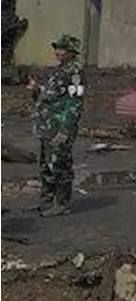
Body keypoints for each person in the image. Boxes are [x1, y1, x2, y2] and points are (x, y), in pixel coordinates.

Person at [28, 35, 85, 217]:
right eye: (57, 48)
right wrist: (37, 89)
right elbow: (51, 95)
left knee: (59, 165)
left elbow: (75, 102)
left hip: (60, 127)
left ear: (71, 52)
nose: (58, 52)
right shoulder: (58, 71)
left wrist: (65, 129)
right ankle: (46, 203)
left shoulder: (75, 72)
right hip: (47, 126)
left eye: (62, 49)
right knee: (46, 165)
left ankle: (61, 204)